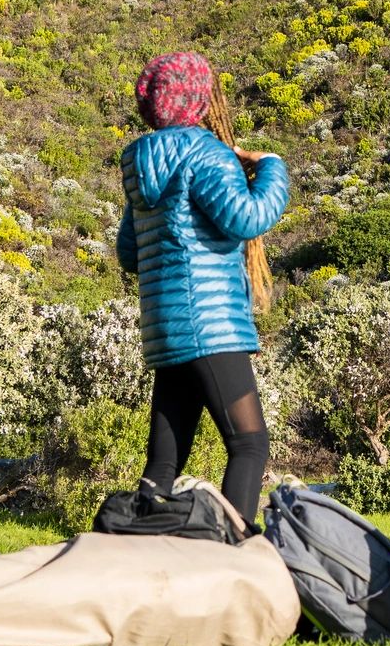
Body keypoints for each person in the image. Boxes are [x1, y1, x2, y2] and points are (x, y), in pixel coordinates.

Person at [117, 51, 288, 528]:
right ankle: (234, 563)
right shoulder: (207, 154)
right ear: (199, 99)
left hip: (166, 331)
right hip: (211, 326)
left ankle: (138, 551)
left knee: (164, 465)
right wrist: (272, 167)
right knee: (249, 445)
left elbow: (130, 253)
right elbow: (249, 218)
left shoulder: (136, 163)